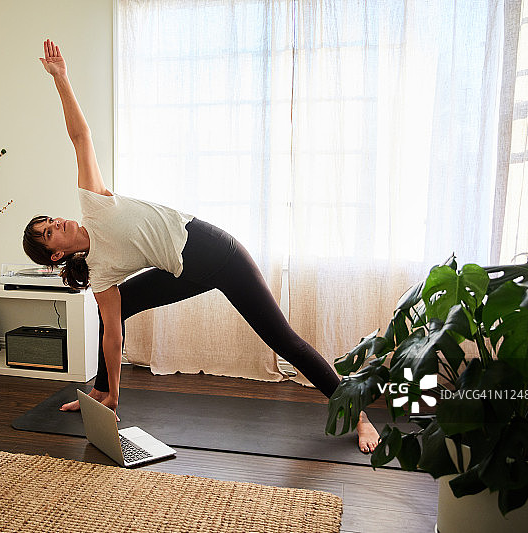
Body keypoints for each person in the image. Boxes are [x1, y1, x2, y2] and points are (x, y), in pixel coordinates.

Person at [23, 39, 380, 453]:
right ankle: (104, 394)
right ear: (57, 255)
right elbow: (113, 335)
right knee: (114, 312)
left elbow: (80, 136)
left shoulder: (94, 204)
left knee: (283, 339)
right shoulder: (100, 273)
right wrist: (113, 395)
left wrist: (62, 79)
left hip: (217, 253)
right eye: (50, 233)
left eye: (51, 221)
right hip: (182, 268)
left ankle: (360, 415)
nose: (58, 224)